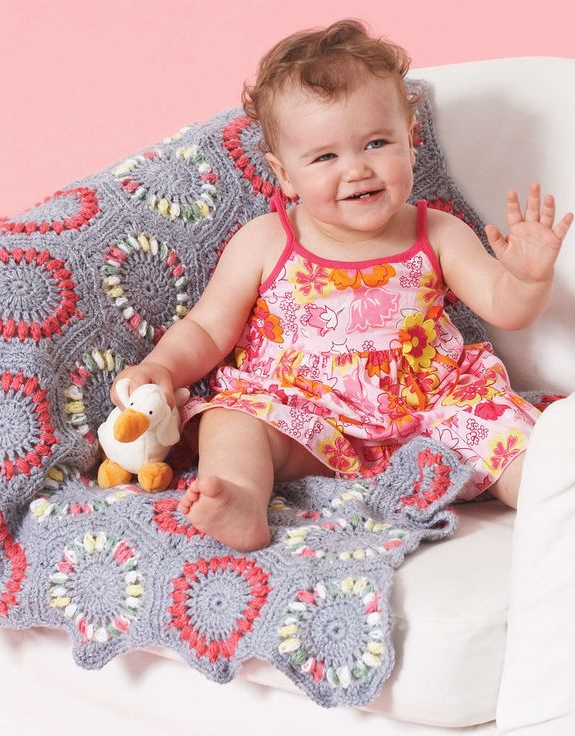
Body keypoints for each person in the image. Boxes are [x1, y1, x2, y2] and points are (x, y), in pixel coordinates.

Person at [109, 19, 573, 552]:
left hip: (432, 409)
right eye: (326, 157)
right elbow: (209, 330)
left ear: (409, 144)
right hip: (308, 416)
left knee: (509, 433)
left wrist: (530, 276)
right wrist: (162, 369)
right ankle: (238, 497)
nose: (356, 170)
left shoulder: (438, 231)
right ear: (284, 174)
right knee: (231, 418)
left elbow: (504, 306)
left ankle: (550, 494)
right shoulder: (265, 240)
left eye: (376, 143)